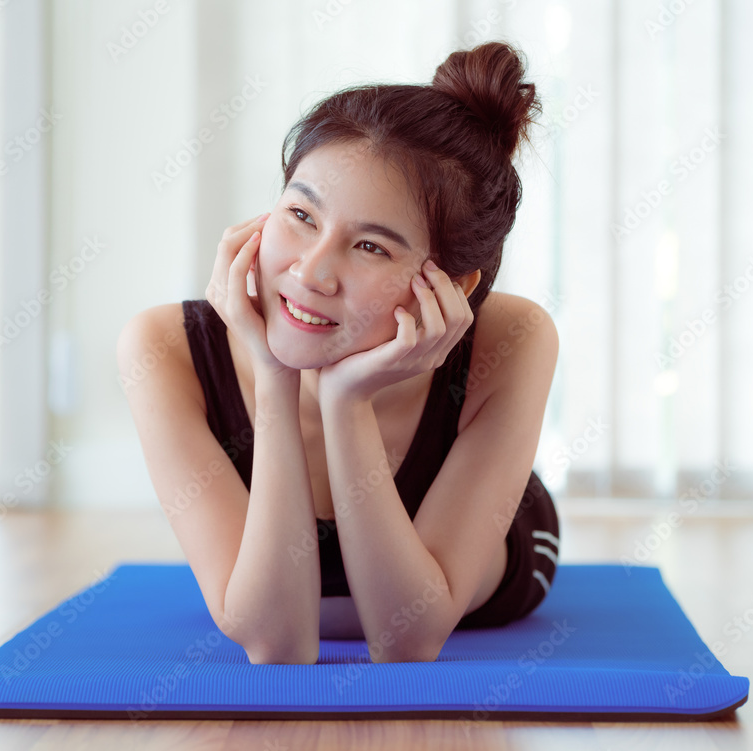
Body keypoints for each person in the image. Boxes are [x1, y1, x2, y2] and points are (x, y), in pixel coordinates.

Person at [117, 41, 560, 665]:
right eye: (300, 214)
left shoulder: (513, 337)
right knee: (269, 602)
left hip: (477, 546)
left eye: (372, 247)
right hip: (283, 579)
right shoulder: (163, 348)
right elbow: (276, 646)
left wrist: (347, 401)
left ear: (454, 286)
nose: (311, 271)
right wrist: (274, 372)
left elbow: (407, 642)